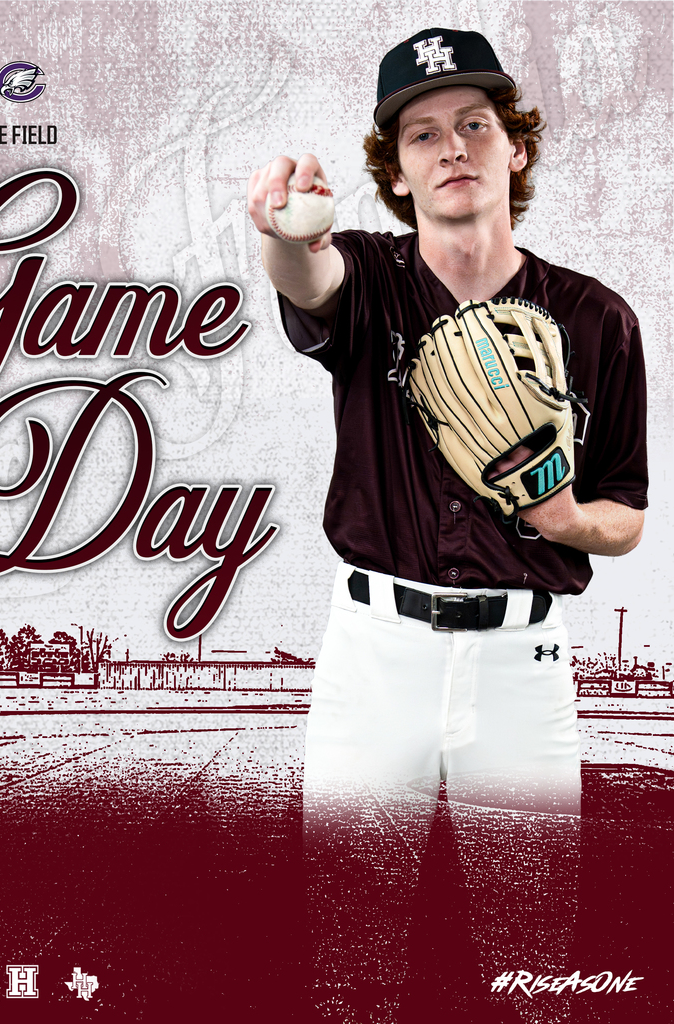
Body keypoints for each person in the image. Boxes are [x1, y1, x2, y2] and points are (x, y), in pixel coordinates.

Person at [247, 27, 647, 1021]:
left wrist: (566, 517)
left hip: (522, 662)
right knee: (352, 959)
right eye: (421, 135)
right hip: (374, 652)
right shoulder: (371, 278)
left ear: (516, 146)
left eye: (474, 124)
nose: (452, 147)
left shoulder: (596, 318)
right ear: (397, 171)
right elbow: (308, 279)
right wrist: (284, 234)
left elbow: (627, 516)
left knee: (532, 961)